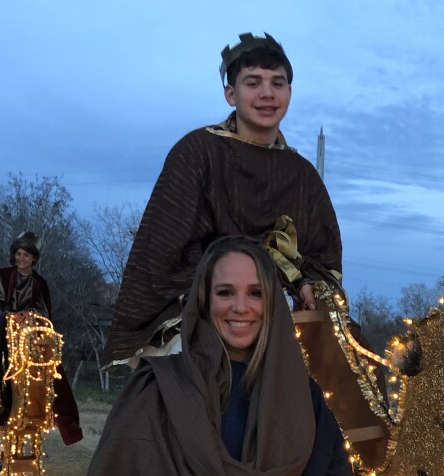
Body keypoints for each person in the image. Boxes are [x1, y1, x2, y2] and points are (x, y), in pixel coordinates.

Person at [67, 237, 424, 476]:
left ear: (271, 303)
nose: (241, 307)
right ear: (205, 300)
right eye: (225, 292)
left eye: (256, 293)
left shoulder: (304, 398)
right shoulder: (160, 386)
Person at [103, 33, 342, 369]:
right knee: (196, 379)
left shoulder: (302, 175)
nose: (267, 94)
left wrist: (306, 287)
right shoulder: (197, 152)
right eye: (253, 82)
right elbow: (161, 250)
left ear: (289, 92)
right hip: (203, 306)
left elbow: (323, 259)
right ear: (231, 94)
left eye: (278, 83)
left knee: (341, 389)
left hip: (276, 313)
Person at [0, 231, 82, 445]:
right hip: (3, 324)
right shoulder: (3, 275)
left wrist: (30, 314)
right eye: (18, 254)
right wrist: (11, 314)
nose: (21, 259)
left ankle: (45, 407)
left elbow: (45, 312)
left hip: (29, 329)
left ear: (33, 258)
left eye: (26, 255)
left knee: (50, 363)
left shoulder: (40, 283)